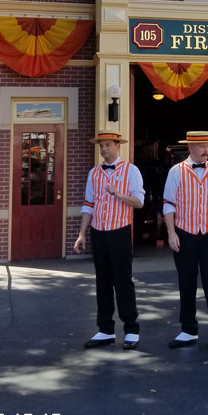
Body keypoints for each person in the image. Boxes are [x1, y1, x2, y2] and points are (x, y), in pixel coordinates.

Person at [74, 131, 144, 351]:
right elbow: (88, 204)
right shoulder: (94, 173)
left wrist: (118, 194)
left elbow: (139, 202)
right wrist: (82, 233)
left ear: (117, 146)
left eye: (107, 145)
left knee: (123, 281)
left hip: (119, 232)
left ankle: (131, 329)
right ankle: (105, 329)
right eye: (101, 146)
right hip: (99, 232)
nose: (103, 149)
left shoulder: (131, 171)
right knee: (102, 282)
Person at [163, 130, 208, 350]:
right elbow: (168, 205)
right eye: (202, 146)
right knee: (186, 281)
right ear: (190, 148)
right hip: (185, 233)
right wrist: (172, 233)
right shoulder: (176, 172)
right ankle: (188, 329)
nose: (206, 150)